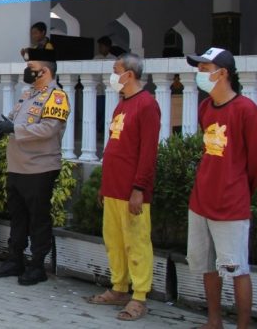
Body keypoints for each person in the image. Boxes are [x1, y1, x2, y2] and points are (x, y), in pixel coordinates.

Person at [185, 47, 257, 329]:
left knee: (236, 269)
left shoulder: (246, 110)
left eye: (204, 69)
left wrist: (239, 191)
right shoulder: (205, 107)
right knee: (207, 266)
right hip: (200, 201)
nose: (199, 74)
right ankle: (214, 322)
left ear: (223, 73)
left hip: (230, 204)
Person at [86, 54, 160, 322]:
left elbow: (148, 151)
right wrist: (104, 184)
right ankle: (119, 287)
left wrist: (139, 188)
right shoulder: (121, 105)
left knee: (137, 243)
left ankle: (139, 296)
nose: (113, 75)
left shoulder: (147, 105)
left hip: (132, 190)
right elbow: (114, 147)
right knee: (114, 242)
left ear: (129, 74)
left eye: (116, 70)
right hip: (113, 187)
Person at [0, 48, 68, 285]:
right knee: (18, 216)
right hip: (17, 165)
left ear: (44, 71)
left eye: (30, 68)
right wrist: (4, 125)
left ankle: (37, 265)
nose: (27, 72)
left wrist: (13, 129)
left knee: (38, 218)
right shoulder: (28, 94)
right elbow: (15, 121)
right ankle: (15, 259)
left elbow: (49, 129)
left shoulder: (57, 97)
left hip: (40, 167)